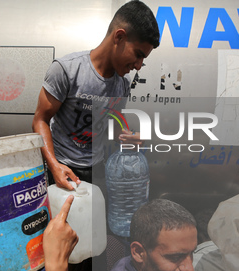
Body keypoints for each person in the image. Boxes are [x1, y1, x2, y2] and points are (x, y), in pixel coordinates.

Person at [32, 0, 159, 191]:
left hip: (97, 170)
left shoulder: (122, 85)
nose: (139, 65)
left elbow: (113, 128)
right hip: (61, 167)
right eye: (138, 54)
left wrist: (128, 137)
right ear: (119, 37)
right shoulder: (67, 70)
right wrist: (54, 166)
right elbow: (40, 121)